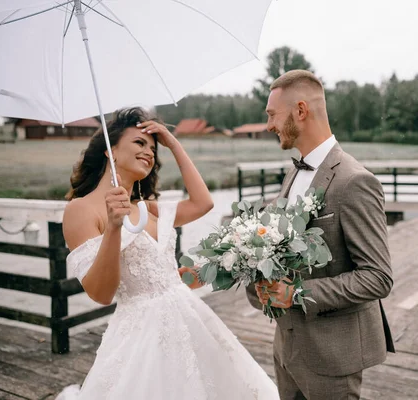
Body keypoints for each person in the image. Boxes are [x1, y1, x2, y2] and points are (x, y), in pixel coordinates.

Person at [56, 107, 279, 400]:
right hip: (141, 337)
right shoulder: (80, 210)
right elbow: (101, 293)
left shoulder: (148, 208)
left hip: (189, 318)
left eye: (153, 147)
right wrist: (112, 227)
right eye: (139, 142)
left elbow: (202, 203)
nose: (149, 152)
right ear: (111, 150)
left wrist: (173, 143)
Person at [246, 70, 395, 400]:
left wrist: (296, 293)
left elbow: (377, 277)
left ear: (300, 111)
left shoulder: (355, 182)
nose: (269, 125)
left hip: (332, 357)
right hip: (286, 348)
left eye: (272, 115)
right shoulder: (293, 171)